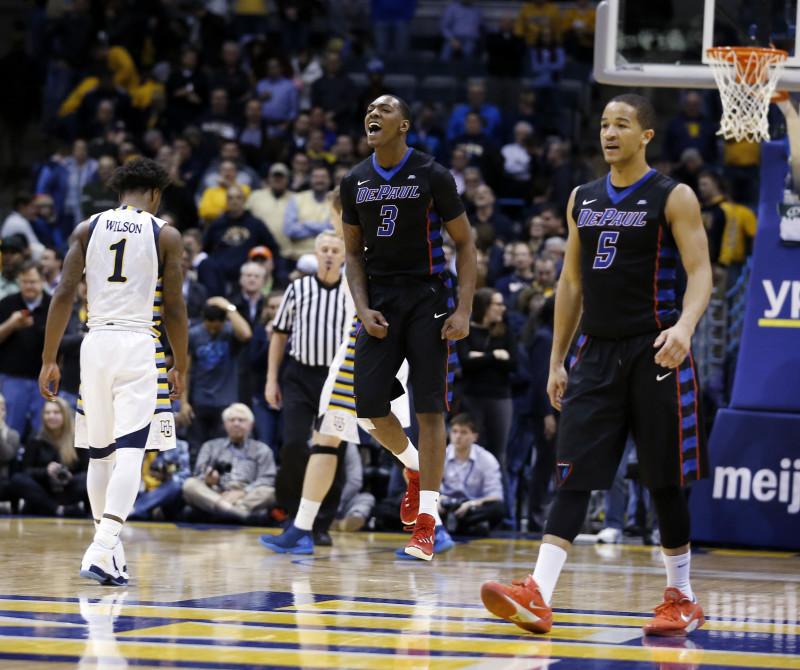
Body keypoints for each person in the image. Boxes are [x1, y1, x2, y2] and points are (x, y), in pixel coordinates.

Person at [480, 94, 712, 636]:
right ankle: (538, 592)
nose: (610, 133)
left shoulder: (673, 196)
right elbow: (571, 283)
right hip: (595, 352)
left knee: (665, 482)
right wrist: (557, 358)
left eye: (622, 124)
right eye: (605, 124)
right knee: (573, 474)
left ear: (646, 135)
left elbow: (701, 273)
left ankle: (681, 595)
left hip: (657, 350)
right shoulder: (582, 197)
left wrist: (684, 328)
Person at [260, 193, 450, 556]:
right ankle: (302, 528)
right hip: (359, 345)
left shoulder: (370, 248)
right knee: (327, 438)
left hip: (370, 345)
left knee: (364, 429)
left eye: (335, 217)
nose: (333, 225)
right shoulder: (358, 249)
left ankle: (427, 506)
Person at [38, 157, 189, 587]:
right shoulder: (166, 234)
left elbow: (64, 292)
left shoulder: (86, 228)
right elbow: (175, 307)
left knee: (99, 454)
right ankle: (102, 545)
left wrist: (50, 358)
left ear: (118, 192)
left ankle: (110, 553)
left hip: (94, 343)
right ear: (156, 194)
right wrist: (180, 362)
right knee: (131, 451)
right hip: (138, 344)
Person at [340, 94, 477, 560]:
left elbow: (465, 243)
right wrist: (361, 307)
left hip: (428, 298)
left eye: (385, 109)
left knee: (430, 411)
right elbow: (352, 255)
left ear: (405, 125)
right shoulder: (354, 180)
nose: (372, 113)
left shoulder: (433, 174)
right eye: (369, 109)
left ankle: (427, 520)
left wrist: (463, 309)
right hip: (379, 299)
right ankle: (415, 469)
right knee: (368, 406)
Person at [263, 231, 351, 546]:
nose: (329, 254)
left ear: (344, 255)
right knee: (294, 445)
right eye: (324, 249)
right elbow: (279, 335)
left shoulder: (353, 292)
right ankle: (292, 517)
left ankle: (321, 523)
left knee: (332, 451)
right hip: (299, 376)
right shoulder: (297, 289)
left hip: (338, 378)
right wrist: (272, 379)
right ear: (316, 253)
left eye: (334, 250)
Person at [182, 403, 276, 522]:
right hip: (215, 492)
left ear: (251, 425)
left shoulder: (262, 449)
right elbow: (199, 473)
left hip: (246, 495)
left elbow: (267, 479)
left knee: (270, 492)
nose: (236, 423)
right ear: (225, 424)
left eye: (241, 420)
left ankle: (224, 511)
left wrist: (242, 492)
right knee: (190, 484)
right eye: (231, 420)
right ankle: (238, 513)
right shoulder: (210, 446)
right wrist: (208, 480)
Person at [8, 397, 88, 516]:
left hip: (68, 489)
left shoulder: (77, 438)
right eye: (47, 413)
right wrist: (46, 471)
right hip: (42, 490)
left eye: (56, 412)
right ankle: (58, 509)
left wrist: (70, 476)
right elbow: (25, 471)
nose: (51, 416)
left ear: (65, 415)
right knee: (17, 479)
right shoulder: (35, 438)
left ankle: (58, 508)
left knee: (89, 479)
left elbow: (87, 470)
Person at [0, 261, 51, 437]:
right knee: (11, 430)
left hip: (43, 379)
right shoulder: (7, 303)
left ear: (43, 281)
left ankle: (39, 465)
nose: (29, 286)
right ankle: (10, 465)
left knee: (42, 431)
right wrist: (11, 324)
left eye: (33, 281)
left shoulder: (53, 305)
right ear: (19, 281)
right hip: (13, 378)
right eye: (25, 281)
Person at [439, 414, 505, 535]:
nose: (458, 436)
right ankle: (467, 526)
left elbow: (496, 496)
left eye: (464, 432)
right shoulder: (440, 455)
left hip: (471, 507)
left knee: (498, 509)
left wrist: (471, 504)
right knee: (407, 501)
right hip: (443, 506)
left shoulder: (486, 459)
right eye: (454, 431)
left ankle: (456, 524)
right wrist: (436, 500)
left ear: (475, 436)